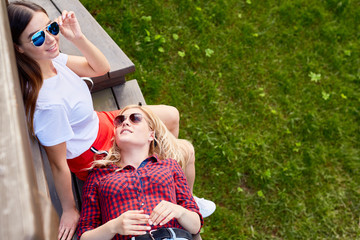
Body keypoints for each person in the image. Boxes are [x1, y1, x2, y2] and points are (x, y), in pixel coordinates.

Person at [7, 1, 214, 239]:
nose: (50, 39)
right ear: (19, 48)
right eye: (37, 38)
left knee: (171, 115)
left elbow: (100, 68)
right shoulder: (48, 104)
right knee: (186, 151)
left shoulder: (49, 61)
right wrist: (70, 208)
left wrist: (78, 37)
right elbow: (57, 163)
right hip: (95, 150)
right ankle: (176, 195)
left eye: (51, 28)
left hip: (101, 122)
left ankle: (173, 191)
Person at [77, 105, 203, 240]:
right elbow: (85, 234)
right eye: (119, 120)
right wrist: (113, 227)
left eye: (135, 119)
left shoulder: (169, 166)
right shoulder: (99, 176)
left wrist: (180, 211)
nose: (125, 122)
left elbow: (196, 225)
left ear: (151, 135)